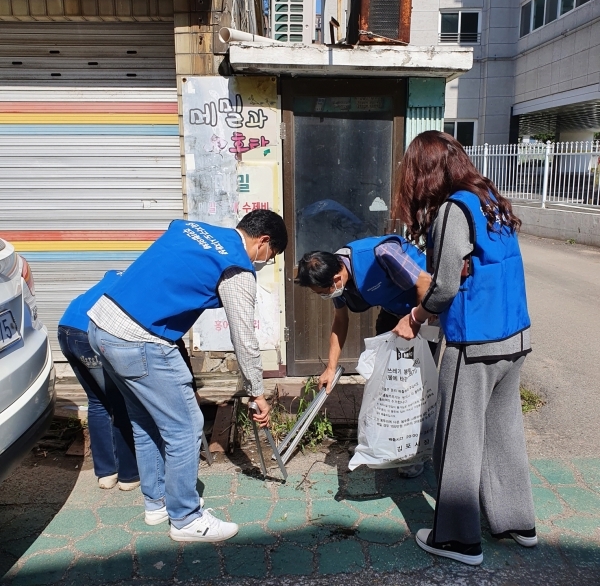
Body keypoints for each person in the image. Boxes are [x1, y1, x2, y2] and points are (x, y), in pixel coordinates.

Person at [87, 210, 287, 543]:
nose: (265, 262)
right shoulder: (237, 266)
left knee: (144, 420)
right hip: (141, 339)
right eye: (270, 256)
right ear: (263, 242)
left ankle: (158, 503)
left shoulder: (192, 229)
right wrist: (257, 392)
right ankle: (186, 518)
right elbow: (244, 337)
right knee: (185, 427)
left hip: (101, 326)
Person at [392, 131, 535, 566]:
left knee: (458, 440)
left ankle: (456, 540)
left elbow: (447, 282)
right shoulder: (488, 197)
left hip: (475, 342)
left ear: (427, 172)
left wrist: (416, 317)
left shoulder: (454, 208)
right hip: (515, 336)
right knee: (503, 432)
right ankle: (517, 523)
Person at [295, 235, 431, 478]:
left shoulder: (382, 254)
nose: (323, 296)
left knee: (412, 388)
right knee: (384, 383)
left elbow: (424, 282)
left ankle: (415, 452)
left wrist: (416, 322)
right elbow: (340, 321)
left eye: (322, 292)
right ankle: (383, 444)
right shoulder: (337, 277)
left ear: (337, 278)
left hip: (424, 311)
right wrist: (330, 367)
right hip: (393, 313)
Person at [58, 270, 140, 491]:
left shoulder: (112, 277)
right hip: (88, 334)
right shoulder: (133, 287)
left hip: (65, 330)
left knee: (97, 401)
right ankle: (129, 475)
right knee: (120, 401)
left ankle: (106, 473)